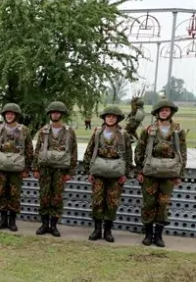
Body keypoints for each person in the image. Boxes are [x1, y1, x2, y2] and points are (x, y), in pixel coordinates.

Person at [134, 98, 187, 247]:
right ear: (157, 112)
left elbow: (182, 153)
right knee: (148, 203)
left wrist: (179, 174)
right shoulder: (149, 130)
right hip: (150, 173)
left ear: (171, 112)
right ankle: (148, 234)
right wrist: (139, 170)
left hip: (169, 174)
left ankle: (158, 236)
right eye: (161, 110)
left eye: (167, 110)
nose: (164, 112)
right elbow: (139, 150)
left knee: (163, 204)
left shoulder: (178, 130)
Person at [83, 106, 133, 243]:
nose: (110, 118)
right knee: (97, 201)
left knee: (112, 202)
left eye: (113, 117)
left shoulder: (123, 135)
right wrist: (89, 171)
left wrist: (126, 173)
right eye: (108, 116)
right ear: (104, 118)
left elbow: (129, 155)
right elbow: (89, 151)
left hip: (116, 173)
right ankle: (97, 229)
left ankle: (108, 231)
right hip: (98, 172)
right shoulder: (98, 133)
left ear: (117, 119)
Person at [31, 101, 78, 237]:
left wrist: (71, 171)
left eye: (57, 112)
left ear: (62, 114)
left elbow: (73, 152)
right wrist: (35, 168)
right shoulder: (44, 131)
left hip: (60, 170)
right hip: (45, 168)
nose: (55, 114)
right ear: (49, 114)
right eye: (53, 112)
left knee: (57, 197)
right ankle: (44, 224)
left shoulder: (69, 132)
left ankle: (54, 225)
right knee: (44, 196)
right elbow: (38, 149)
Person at [0, 103, 34, 232]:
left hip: (17, 167)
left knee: (14, 194)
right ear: (4, 115)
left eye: (12, 114)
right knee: (1, 192)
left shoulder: (23, 130)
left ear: (16, 115)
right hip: (1, 167)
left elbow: (29, 149)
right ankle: (3, 219)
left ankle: (12, 221)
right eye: (7, 114)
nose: (9, 116)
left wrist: (27, 169)